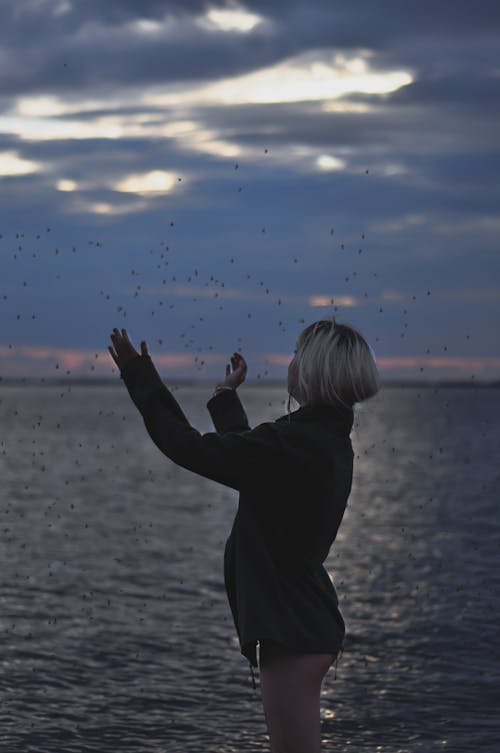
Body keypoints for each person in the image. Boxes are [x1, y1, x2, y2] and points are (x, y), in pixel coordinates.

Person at [108, 317, 380, 753]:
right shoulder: (321, 440)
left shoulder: (299, 444)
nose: (291, 361)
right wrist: (225, 396)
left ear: (313, 369)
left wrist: (138, 375)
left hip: (292, 633)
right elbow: (249, 459)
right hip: (303, 626)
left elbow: (189, 448)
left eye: (296, 353)